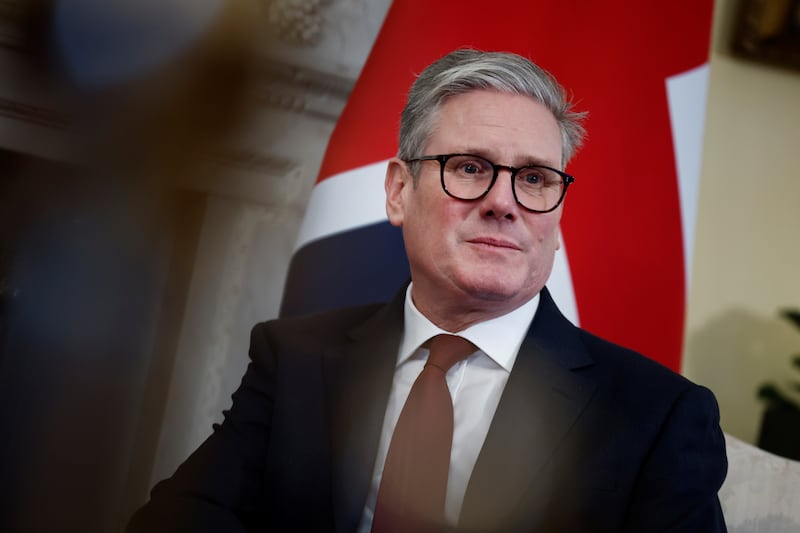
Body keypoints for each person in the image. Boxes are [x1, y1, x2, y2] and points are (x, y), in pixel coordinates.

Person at [128, 48, 727, 532]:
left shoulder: (659, 417)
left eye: (536, 179)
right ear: (397, 191)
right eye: (469, 167)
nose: (503, 203)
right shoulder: (296, 359)